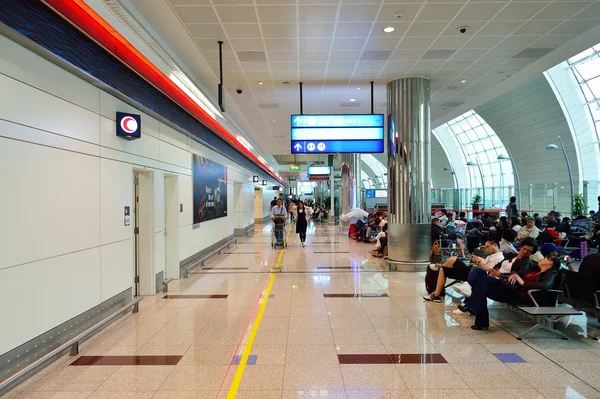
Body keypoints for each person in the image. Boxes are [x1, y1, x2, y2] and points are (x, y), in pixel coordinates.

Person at [456, 238, 542, 329]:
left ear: (531, 253)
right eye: (524, 248)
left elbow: (515, 276)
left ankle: (471, 306)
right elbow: (499, 264)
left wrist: (500, 275)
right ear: (521, 247)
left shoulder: (526, 263)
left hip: (507, 288)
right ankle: (476, 314)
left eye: (529, 251)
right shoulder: (512, 255)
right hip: (495, 281)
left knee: (482, 283)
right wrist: (494, 270)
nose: (525, 252)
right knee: (477, 273)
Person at [424, 238, 504, 303]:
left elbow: (490, 271)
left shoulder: (499, 258)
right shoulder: (491, 256)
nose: (486, 249)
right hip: (473, 270)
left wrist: (478, 261)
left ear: (495, 245)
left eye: (488, 247)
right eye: (485, 247)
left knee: (454, 259)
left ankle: (441, 265)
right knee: (444, 270)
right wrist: (479, 260)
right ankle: (436, 294)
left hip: (477, 274)